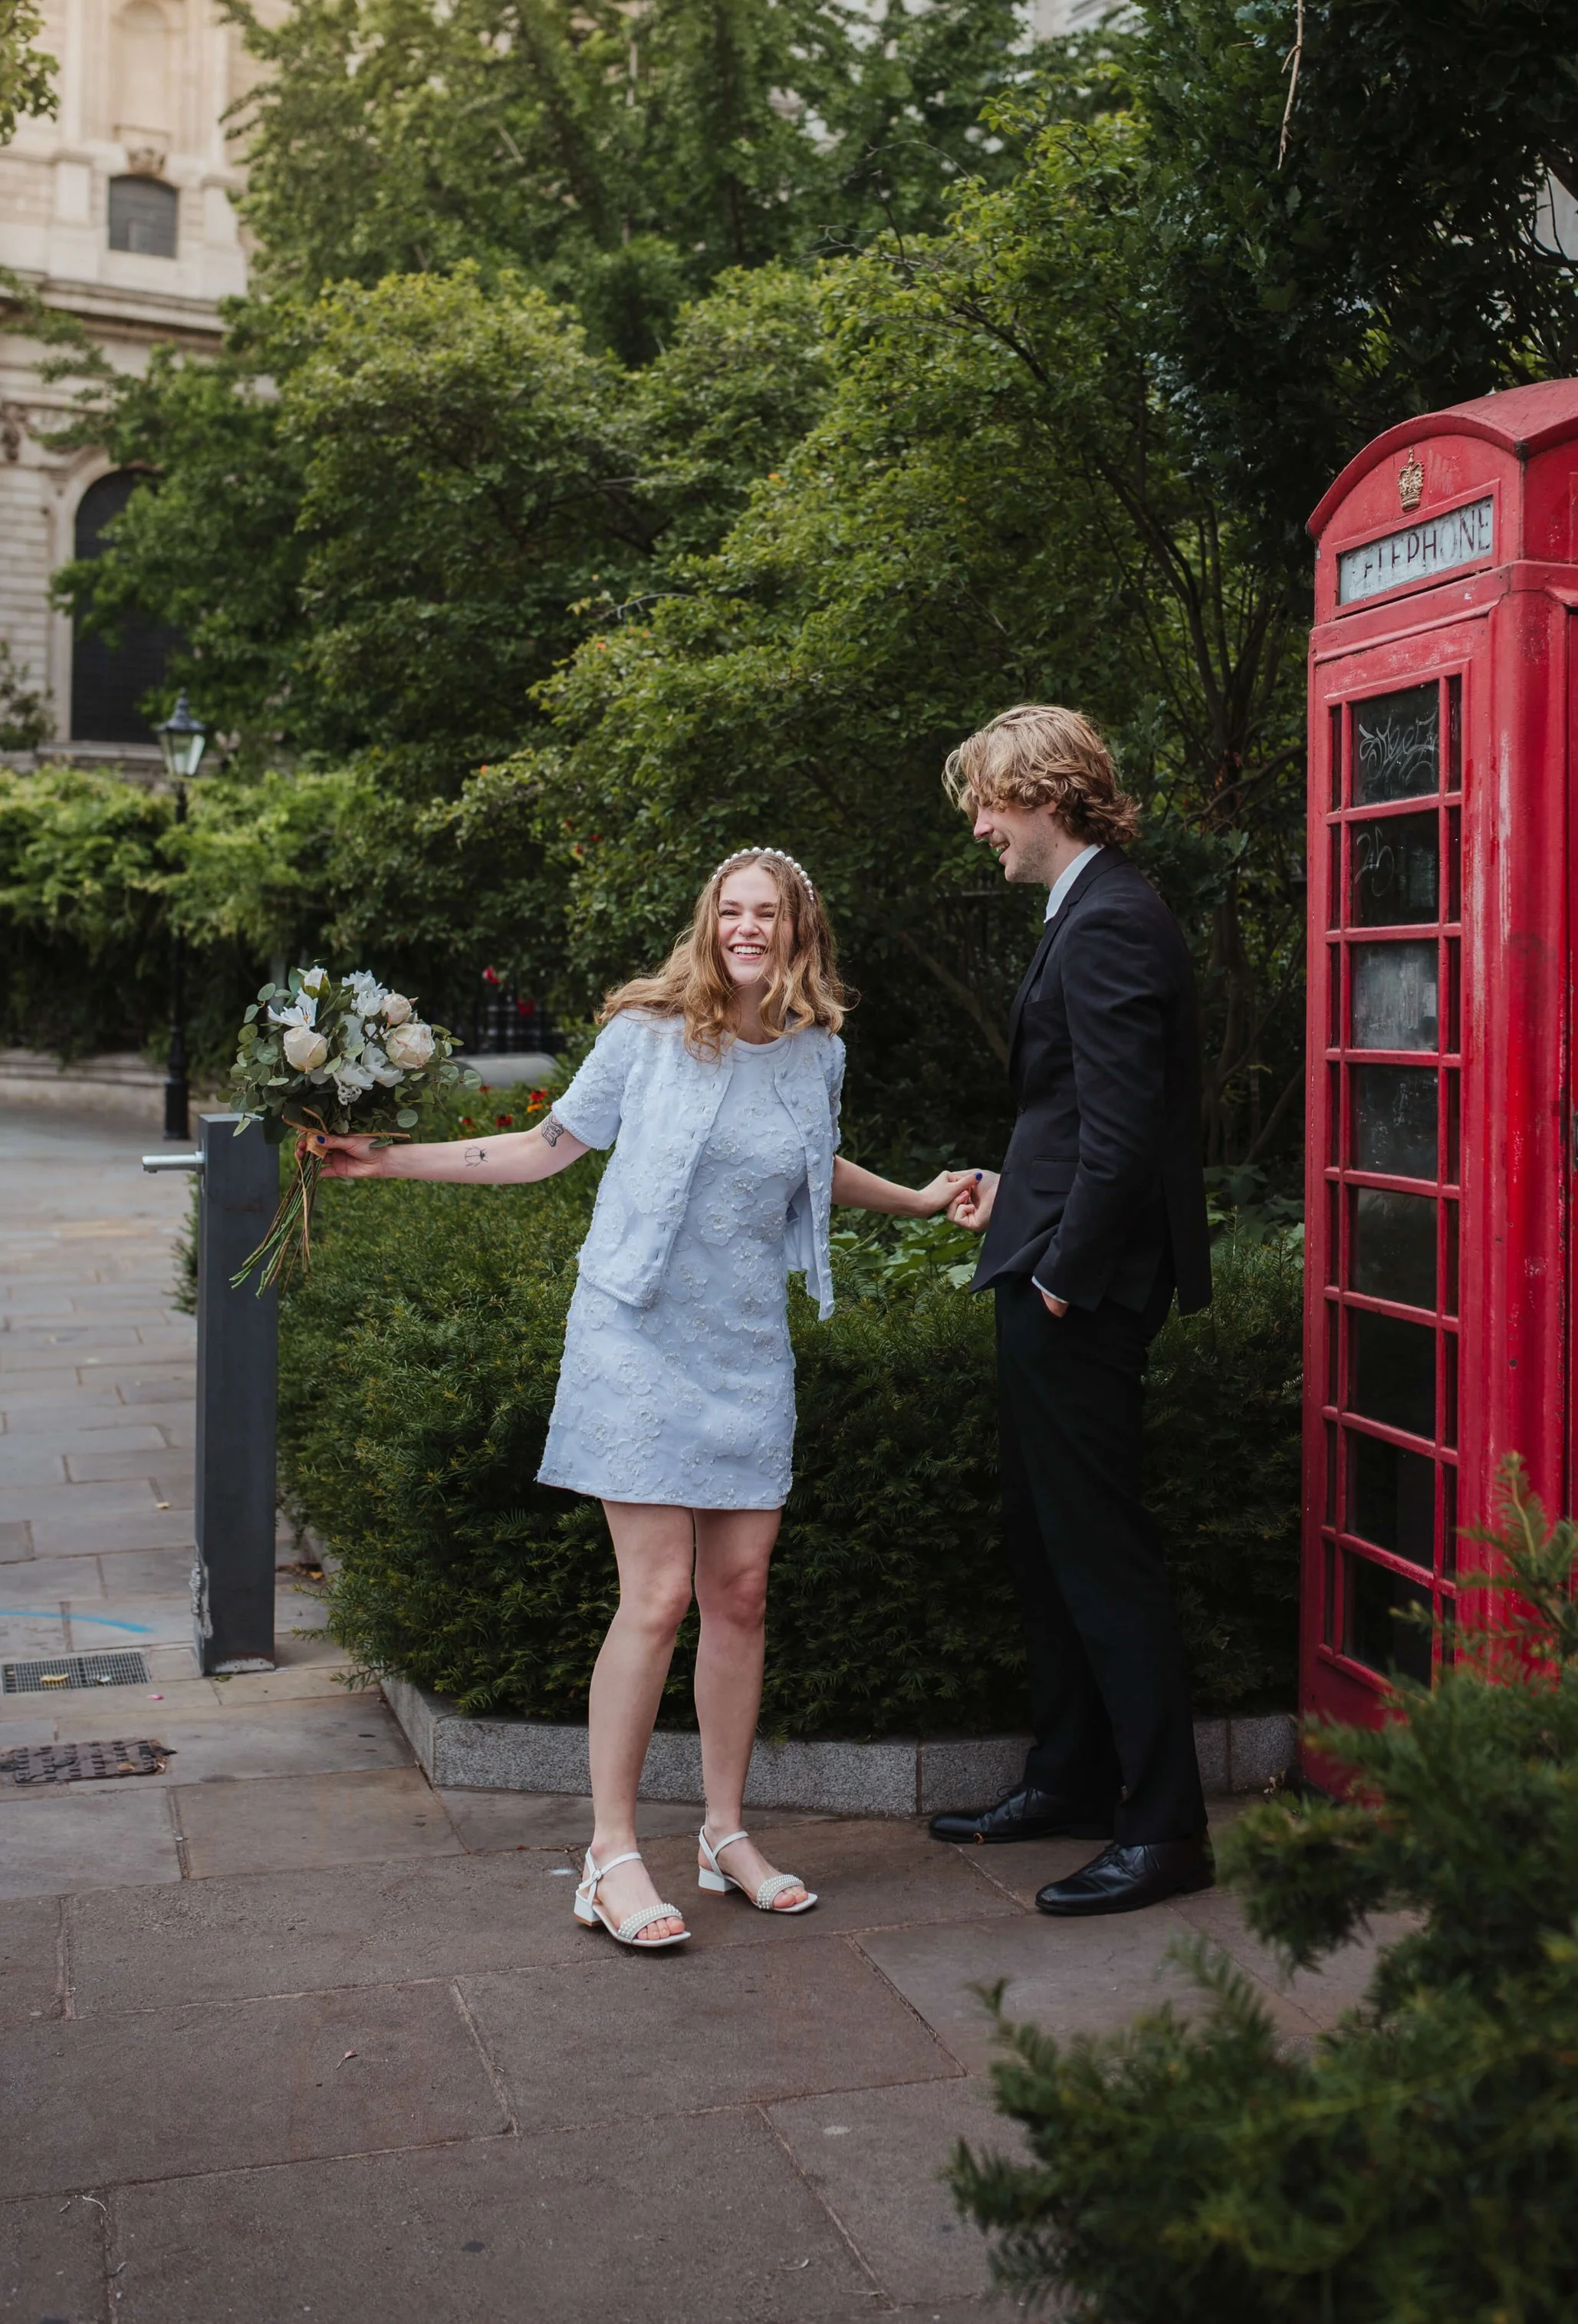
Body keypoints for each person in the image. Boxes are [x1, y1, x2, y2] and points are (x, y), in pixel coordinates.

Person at [321, 851, 975, 1950]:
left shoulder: (819, 1052)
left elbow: (817, 1166)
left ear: (800, 929)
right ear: (708, 923)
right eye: (733, 910)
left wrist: (916, 1197)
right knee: (659, 1593)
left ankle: (724, 1834)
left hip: (746, 1347)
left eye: (768, 912)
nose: (748, 928)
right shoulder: (647, 1033)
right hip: (636, 1334)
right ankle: (609, 1855)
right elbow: (542, 1148)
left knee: (743, 1591)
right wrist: (389, 1160)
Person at [936, 706, 1213, 1917]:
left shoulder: (1109, 921)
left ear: (1045, 792)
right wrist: (1017, 1200)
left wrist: (1057, 1270)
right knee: (1048, 1543)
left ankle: (1163, 1831)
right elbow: (1074, 1119)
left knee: (1101, 1555)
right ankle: (1071, 1777)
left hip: (1079, 1291)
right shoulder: (1087, 912)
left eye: (991, 805)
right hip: (1050, 1256)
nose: (983, 830)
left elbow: (1125, 1129)